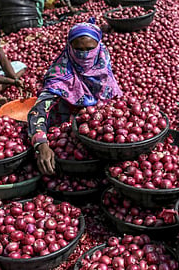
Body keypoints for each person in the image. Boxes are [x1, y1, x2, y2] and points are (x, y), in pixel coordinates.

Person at [28, 20, 122, 175]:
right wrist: (42, 144)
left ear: (98, 47)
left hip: (99, 137)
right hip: (64, 138)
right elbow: (38, 110)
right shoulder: (59, 73)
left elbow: (116, 107)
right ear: (69, 47)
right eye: (78, 49)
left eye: (89, 49)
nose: (84, 55)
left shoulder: (103, 69)